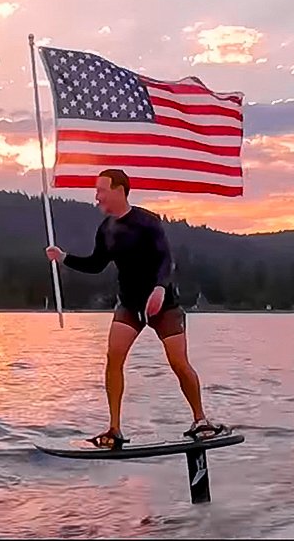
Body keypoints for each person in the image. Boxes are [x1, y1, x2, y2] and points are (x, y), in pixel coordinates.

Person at [45, 168, 226, 448]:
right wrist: (63, 257)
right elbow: (95, 265)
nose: (97, 196)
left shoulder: (147, 222)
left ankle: (200, 420)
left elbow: (166, 260)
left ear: (119, 190)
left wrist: (159, 288)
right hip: (129, 304)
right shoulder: (106, 229)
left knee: (178, 362)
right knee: (113, 358)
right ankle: (114, 429)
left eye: (101, 190)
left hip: (163, 303)